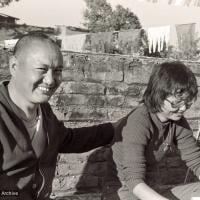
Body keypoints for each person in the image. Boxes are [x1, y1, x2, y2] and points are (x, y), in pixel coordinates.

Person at [0, 32, 114, 200]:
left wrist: (115, 129)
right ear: (14, 67)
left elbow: (67, 140)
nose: (50, 80)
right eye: (42, 69)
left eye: (58, 71)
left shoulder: (44, 111)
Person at [106, 61, 200, 200]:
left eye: (187, 102)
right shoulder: (138, 121)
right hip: (124, 194)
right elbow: (134, 181)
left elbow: (196, 161)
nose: (183, 108)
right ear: (159, 95)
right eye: (176, 103)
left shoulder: (177, 121)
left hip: (153, 193)